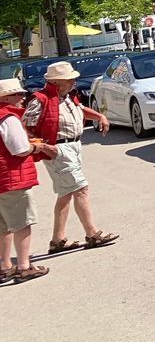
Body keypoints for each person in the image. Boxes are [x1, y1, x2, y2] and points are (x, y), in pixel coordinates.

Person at [23, 61, 118, 254]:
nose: (74, 81)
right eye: (70, 79)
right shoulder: (41, 99)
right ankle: (92, 234)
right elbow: (26, 126)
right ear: (57, 82)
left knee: (66, 194)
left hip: (71, 147)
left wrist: (99, 117)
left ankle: (58, 240)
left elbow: (80, 110)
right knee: (81, 188)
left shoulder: (66, 97)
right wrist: (43, 146)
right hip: (58, 149)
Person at [1, 77, 57, 282]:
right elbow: (20, 149)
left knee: (3, 225)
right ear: (7, 98)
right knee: (22, 223)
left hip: (2, 179)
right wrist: (38, 147)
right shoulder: (9, 119)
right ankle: (24, 266)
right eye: (19, 94)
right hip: (12, 177)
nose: (23, 98)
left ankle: (5, 265)